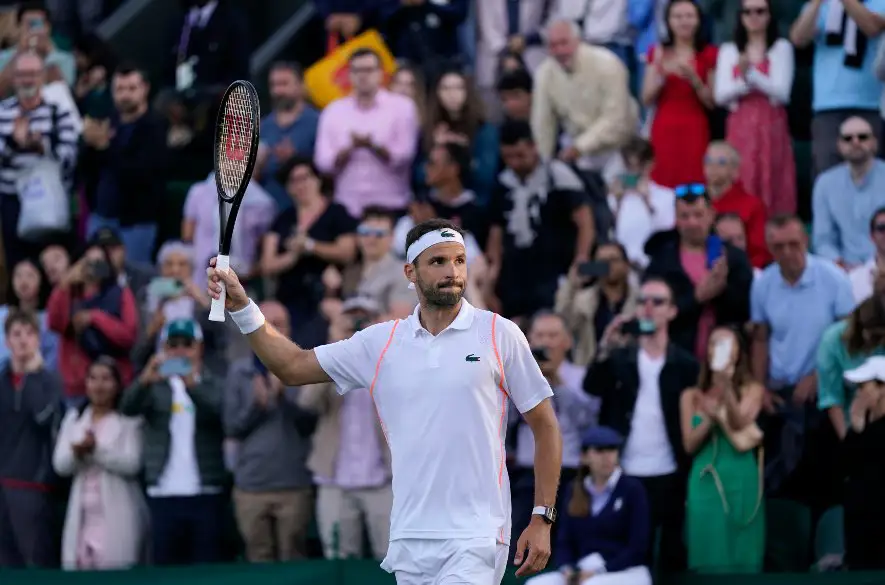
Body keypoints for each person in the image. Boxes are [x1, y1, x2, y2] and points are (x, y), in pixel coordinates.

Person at [207, 218, 563, 583]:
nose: (452, 271)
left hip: (478, 535)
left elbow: (545, 426)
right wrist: (242, 306)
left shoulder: (499, 333)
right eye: (437, 261)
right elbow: (292, 367)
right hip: (410, 538)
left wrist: (542, 516)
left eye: (459, 260)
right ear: (411, 271)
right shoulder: (381, 342)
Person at [525, 427, 652, 585]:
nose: (607, 456)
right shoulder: (574, 490)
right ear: (585, 457)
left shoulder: (632, 489)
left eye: (612, 449)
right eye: (599, 450)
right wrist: (567, 569)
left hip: (628, 571)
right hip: (583, 569)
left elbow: (637, 547)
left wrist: (599, 571)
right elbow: (564, 541)